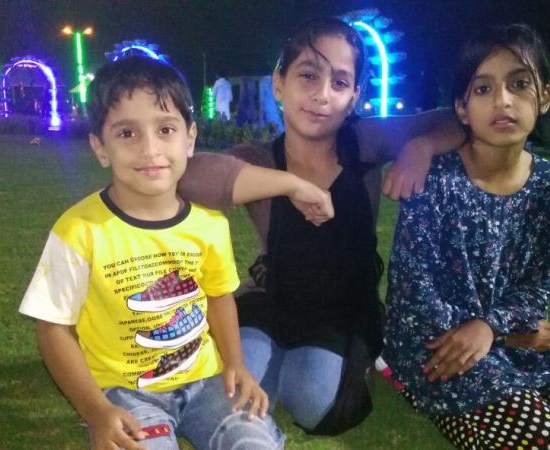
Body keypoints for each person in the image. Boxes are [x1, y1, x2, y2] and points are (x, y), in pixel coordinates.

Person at [18, 55, 334, 450]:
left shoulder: (209, 224)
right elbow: (53, 331)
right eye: (127, 133)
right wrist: (95, 410)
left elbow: (219, 298)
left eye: (165, 129)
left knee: (254, 443)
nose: (150, 149)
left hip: (207, 382)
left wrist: (235, 365)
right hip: (123, 391)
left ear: (190, 138)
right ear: (100, 147)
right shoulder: (78, 231)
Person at [179, 17, 464, 435]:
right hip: (273, 299)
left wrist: (421, 146)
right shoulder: (261, 159)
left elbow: (457, 119)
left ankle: (322, 366)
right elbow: (186, 175)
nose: (322, 95)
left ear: (354, 96)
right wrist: (289, 185)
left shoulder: (364, 142)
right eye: (308, 75)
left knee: (318, 405)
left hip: (343, 311)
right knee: (234, 386)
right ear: (279, 83)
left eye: (340, 82)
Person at [382, 24, 550, 449]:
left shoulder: (547, 184)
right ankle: (428, 397)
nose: (503, 100)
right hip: (439, 347)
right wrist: (493, 335)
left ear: (544, 96)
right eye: (483, 88)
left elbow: (539, 283)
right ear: (462, 107)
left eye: (519, 84)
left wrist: (494, 330)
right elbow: (413, 291)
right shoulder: (437, 181)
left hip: (507, 334)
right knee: (541, 439)